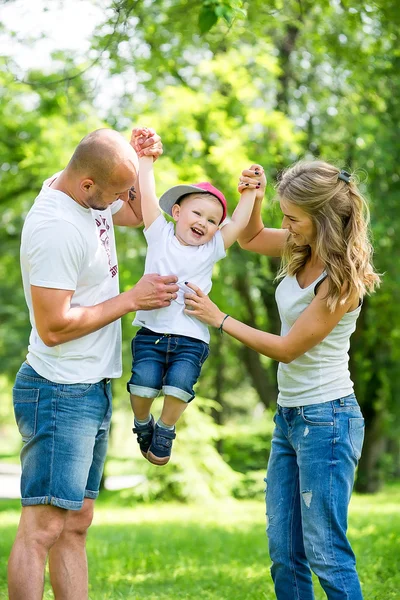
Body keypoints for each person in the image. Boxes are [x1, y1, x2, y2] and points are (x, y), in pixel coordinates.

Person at [183, 160, 380, 599]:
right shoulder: (299, 248)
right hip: (290, 419)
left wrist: (221, 319)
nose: (286, 226)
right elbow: (251, 236)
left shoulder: (341, 279)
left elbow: (289, 347)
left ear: (323, 220)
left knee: (326, 551)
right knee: (284, 553)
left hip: (328, 422)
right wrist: (251, 194)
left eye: (293, 218)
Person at [8, 127, 179, 600]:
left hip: (92, 385)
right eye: (116, 192)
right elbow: (53, 327)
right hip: (59, 390)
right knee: (42, 527)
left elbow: (144, 212)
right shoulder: (56, 228)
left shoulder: (83, 190)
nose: (124, 201)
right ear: (87, 185)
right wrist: (131, 299)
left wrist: (139, 164)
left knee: (76, 523)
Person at [126, 130, 259, 466]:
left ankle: (166, 429)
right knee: (142, 385)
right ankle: (143, 423)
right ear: (176, 212)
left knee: (180, 387)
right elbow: (147, 194)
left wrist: (250, 194)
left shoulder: (212, 249)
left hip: (191, 338)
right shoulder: (159, 234)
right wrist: (145, 160)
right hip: (152, 334)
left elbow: (241, 223)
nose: (204, 223)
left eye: (213, 220)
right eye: (197, 214)